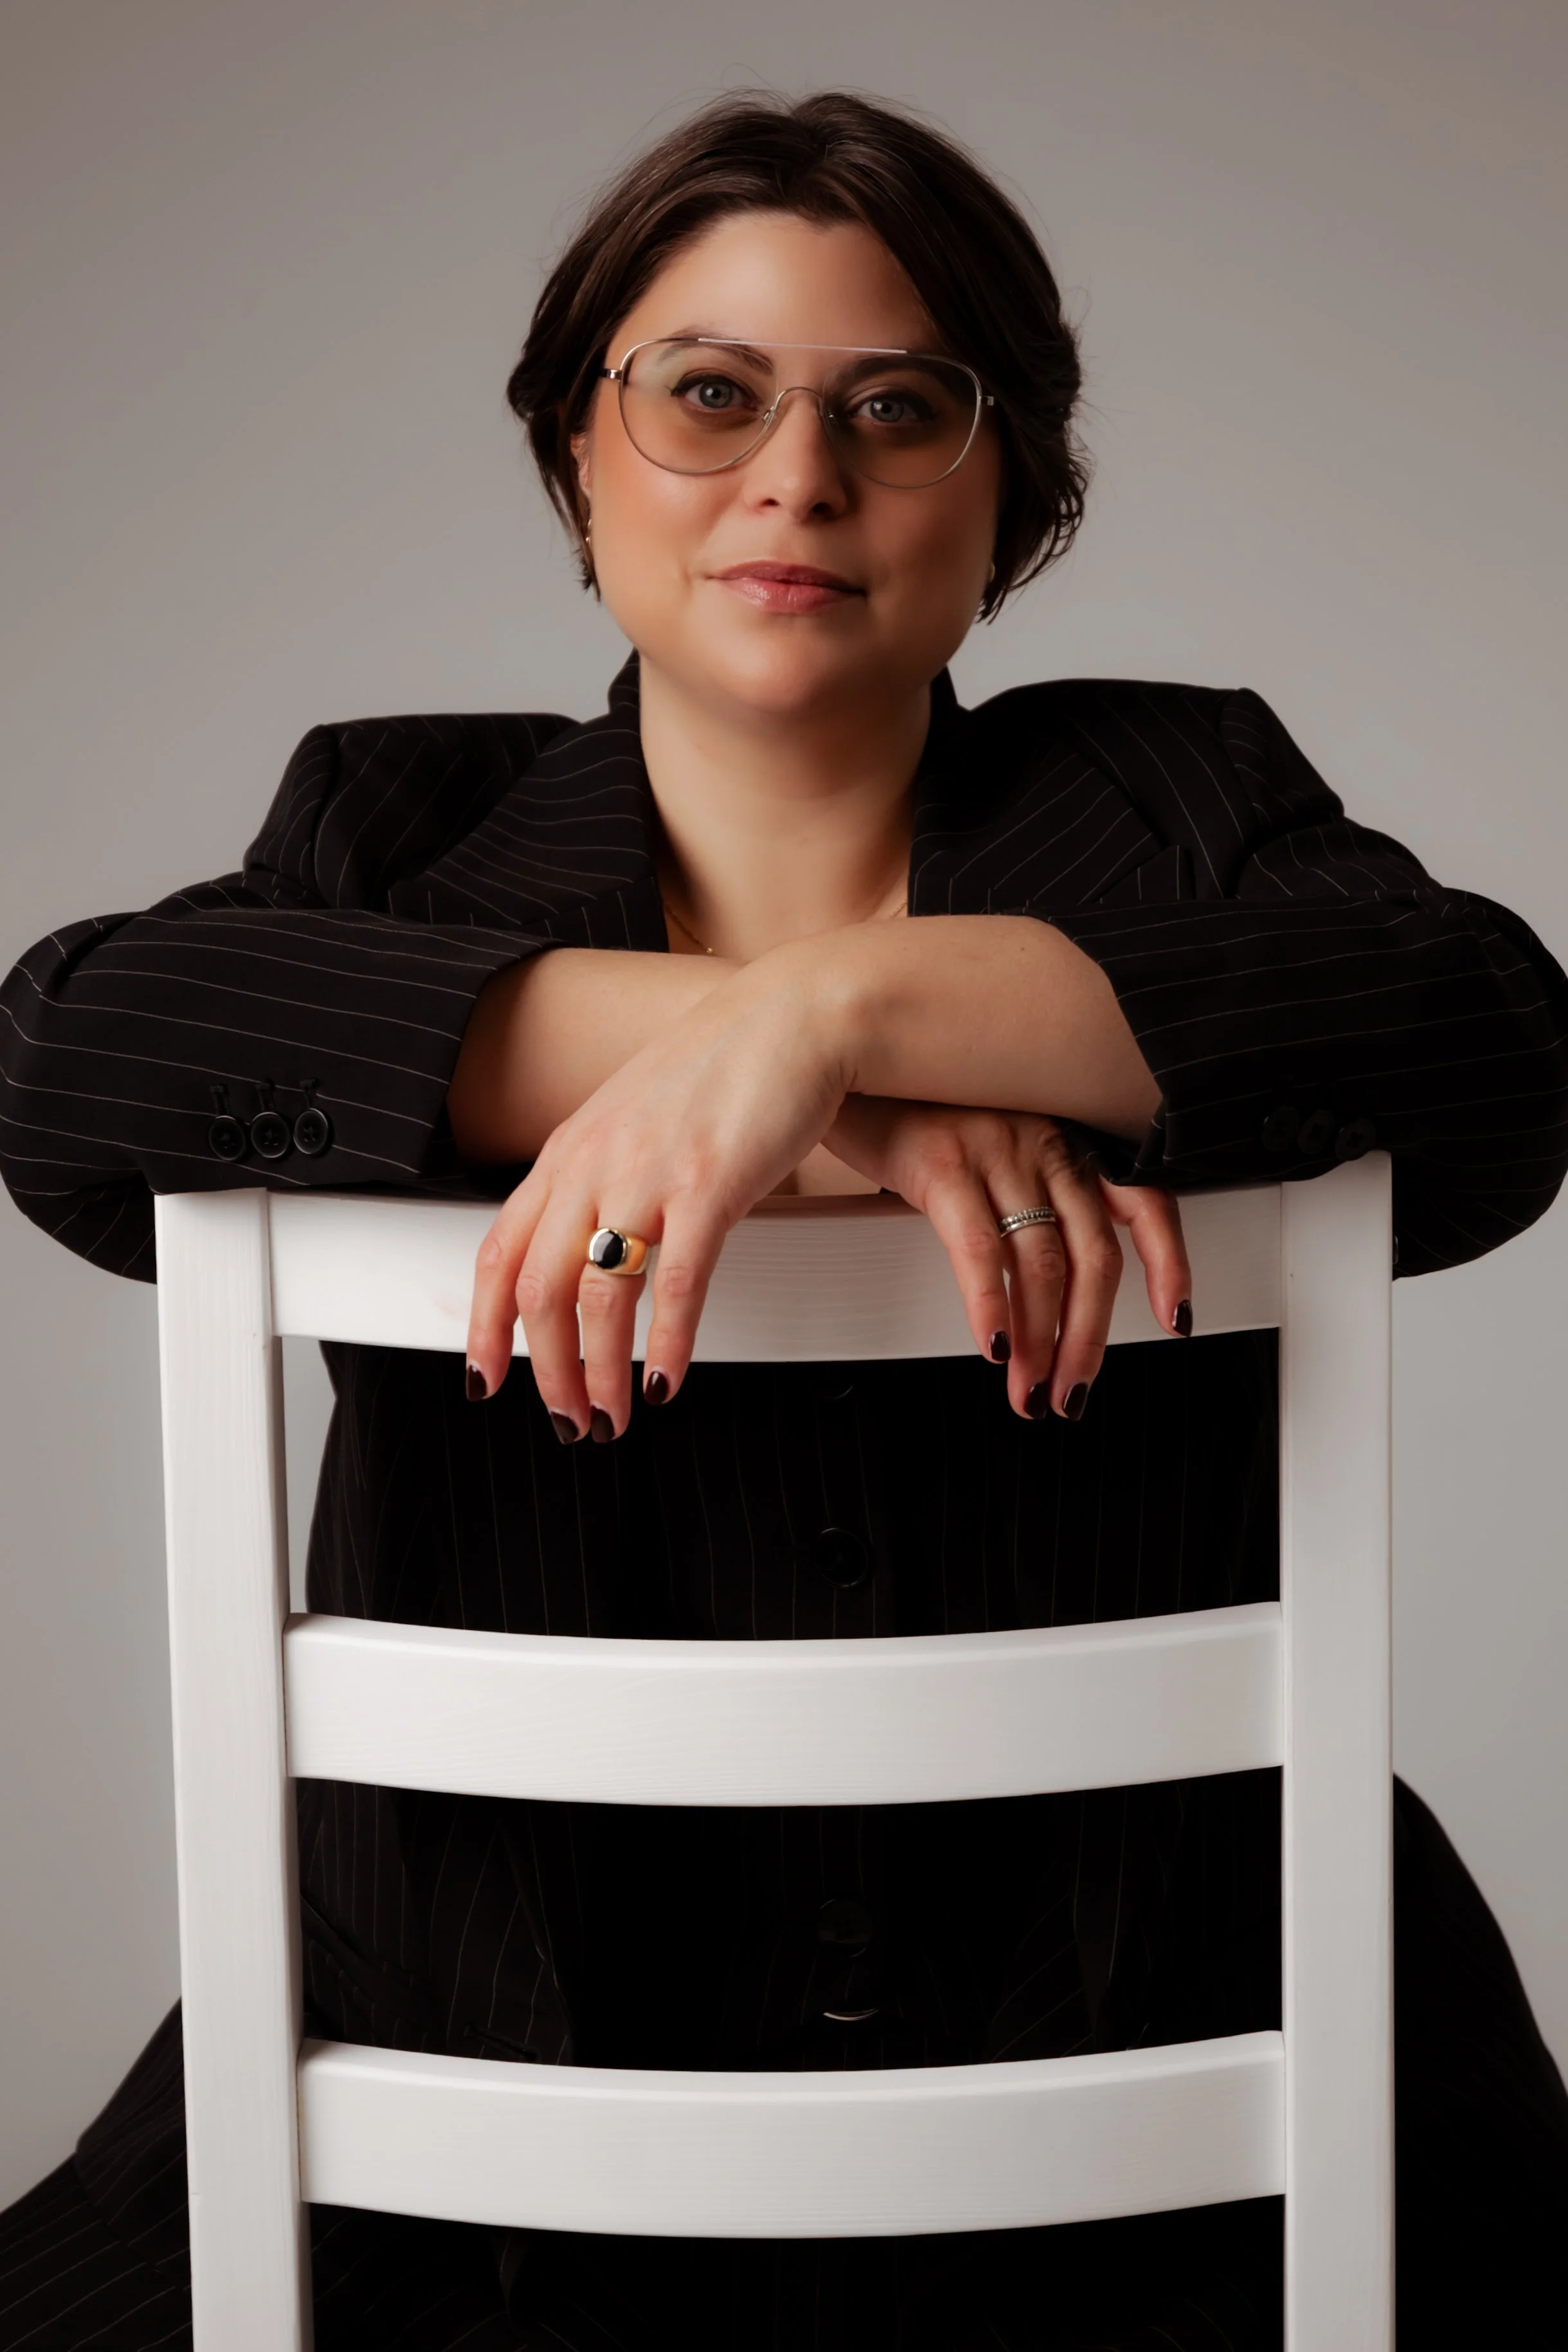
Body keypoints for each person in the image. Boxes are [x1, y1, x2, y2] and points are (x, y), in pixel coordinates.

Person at [1, 86, 1565, 2352]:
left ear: (1013, 486)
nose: (796, 479)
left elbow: (1494, 1041)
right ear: (576, 454)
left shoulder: (1179, 796)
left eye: (896, 409)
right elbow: (68, 1058)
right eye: (706, 395)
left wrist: (832, 1017)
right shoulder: (390, 825)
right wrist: (751, 1058)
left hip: (1199, 2073)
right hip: (475, 2083)